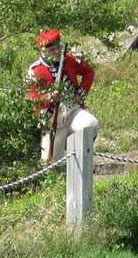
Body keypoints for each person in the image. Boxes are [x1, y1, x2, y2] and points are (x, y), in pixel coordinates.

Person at [25, 29, 99, 164]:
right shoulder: (35, 70)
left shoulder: (69, 59)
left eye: (58, 47)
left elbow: (89, 72)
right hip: (51, 118)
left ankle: (80, 160)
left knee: (90, 125)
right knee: (50, 163)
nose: (57, 51)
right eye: (52, 49)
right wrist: (49, 97)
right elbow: (34, 98)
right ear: (43, 51)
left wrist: (80, 94)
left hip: (72, 109)